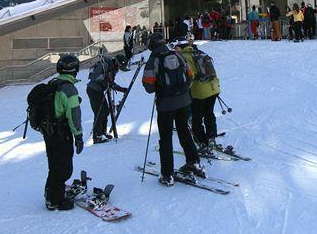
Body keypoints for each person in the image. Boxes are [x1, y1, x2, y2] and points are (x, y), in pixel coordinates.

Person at [142, 35, 203, 186]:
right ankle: (194, 161)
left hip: (166, 104)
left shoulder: (154, 59)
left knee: (166, 138)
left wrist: (160, 87)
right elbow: (190, 75)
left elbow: (149, 87)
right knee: (184, 131)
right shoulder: (177, 54)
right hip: (183, 101)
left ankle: (167, 174)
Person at [41, 55, 85, 210]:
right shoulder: (69, 88)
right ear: (76, 70)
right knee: (63, 168)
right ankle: (56, 200)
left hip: (49, 131)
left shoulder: (55, 83)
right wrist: (78, 136)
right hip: (61, 132)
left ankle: (50, 194)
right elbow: (73, 115)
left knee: (54, 164)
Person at [178, 35, 220, 150]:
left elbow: (190, 76)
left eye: (176, 47)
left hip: (199, 92)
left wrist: (184, 90)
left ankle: (202, 142)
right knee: (209, 113)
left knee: (196, 118)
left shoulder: (184, 57)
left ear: (181, 47)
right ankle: (211, 138)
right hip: (213, 88)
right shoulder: (200, 53)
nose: (175, 50)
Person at [86, 54, 128, 144]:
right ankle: (97, 136)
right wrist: (104, 78)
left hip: (99, 90)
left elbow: (110, 82)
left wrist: (120, 88)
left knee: (105, 111)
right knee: (99, 112)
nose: (119, 69)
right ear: (116, 62)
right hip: (93, 90)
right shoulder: (104, 65)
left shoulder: (112, 68)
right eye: (119, 66)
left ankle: (103, 132)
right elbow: (94, 77)